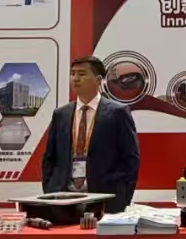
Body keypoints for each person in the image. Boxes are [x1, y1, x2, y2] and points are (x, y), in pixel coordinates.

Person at [41, 56, 139, 212]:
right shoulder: (61, 114)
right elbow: (49, 158)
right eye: (73, 73)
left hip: (105, 197)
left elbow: (130, 159)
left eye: (82, 74)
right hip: (63, 198)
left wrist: (123, 198)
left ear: (98, 80)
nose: (75, 78)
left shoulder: (117, 112)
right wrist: (49, 190)